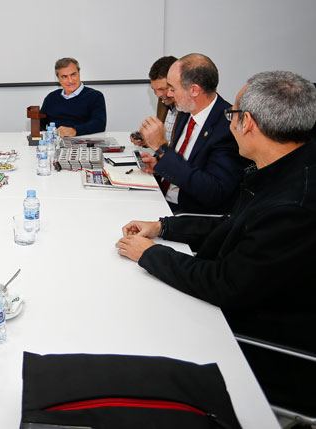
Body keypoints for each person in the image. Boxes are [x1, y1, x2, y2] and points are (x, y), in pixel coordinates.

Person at [116, 70, 316, 412]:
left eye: (233, 115)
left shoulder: (291, 207)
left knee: (128, 328)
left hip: (257, 344)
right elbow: (235, 225)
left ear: (247, 123)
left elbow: (225, 284)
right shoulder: (286, 169)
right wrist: (163, 227)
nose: (230, 122)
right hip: (251, 303)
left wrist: (151, 255)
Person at [137, 53, 247, 214]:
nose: (169, 95)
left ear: (194, 90)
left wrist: (162, 149)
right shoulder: (187, 111)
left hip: (188, 214)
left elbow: (214, 192)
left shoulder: (227, 126)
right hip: (163, 199)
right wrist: (160, 164)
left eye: (173, 88)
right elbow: (184, 163)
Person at [40, 58, 106, 137]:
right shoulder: (51, 97)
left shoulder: (95, 96)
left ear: (79, 73)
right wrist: (45, 135)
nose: (70, 80)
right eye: (64, 76)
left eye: (73, 74)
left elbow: (99, 124)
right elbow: (39, 122)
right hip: (54, 143)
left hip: (82, 142)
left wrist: (75, 130)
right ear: (59, 79)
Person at [131, 56, 179, 148]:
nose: (158, 95)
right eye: (154, 90)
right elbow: (165, 140)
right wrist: (147, 141)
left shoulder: (188, 109)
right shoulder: (163, 100)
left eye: (162, 89)